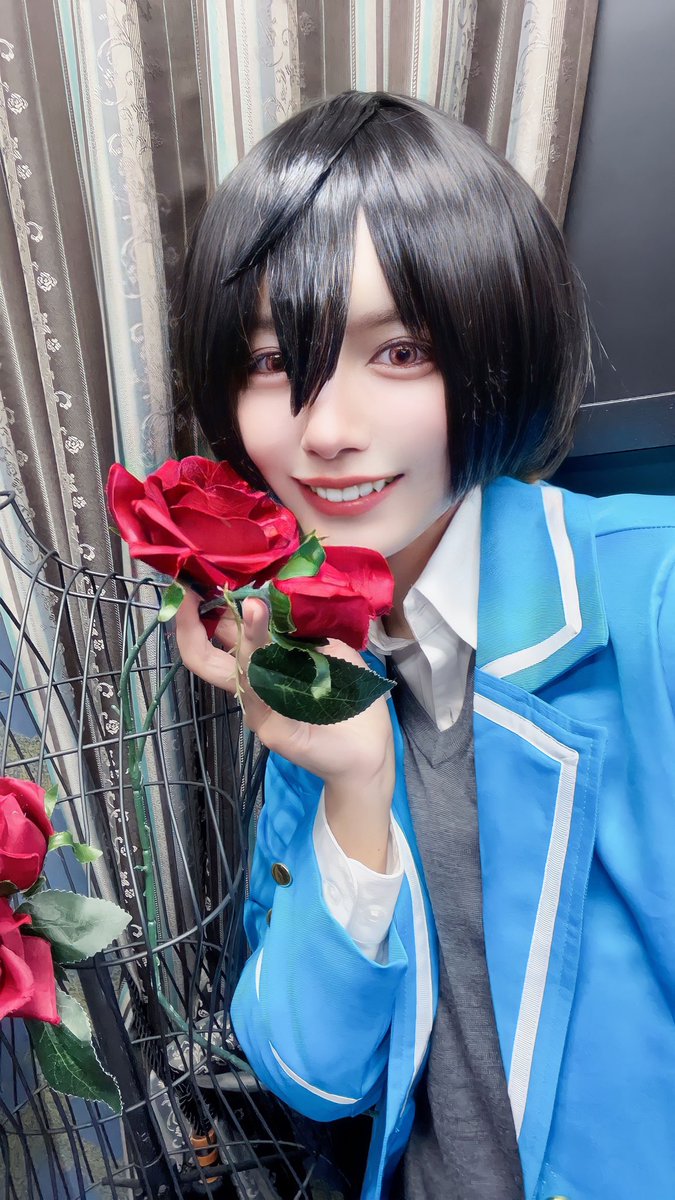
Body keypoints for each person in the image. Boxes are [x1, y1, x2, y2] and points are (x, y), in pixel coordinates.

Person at [172, 91, 675, 1200]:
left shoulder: (654, 595)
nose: (323, 430)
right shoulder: (317, 659)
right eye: (272, 362)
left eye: (397, 351)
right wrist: (352, 782)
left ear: (497, 345)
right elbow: (314, 1074)